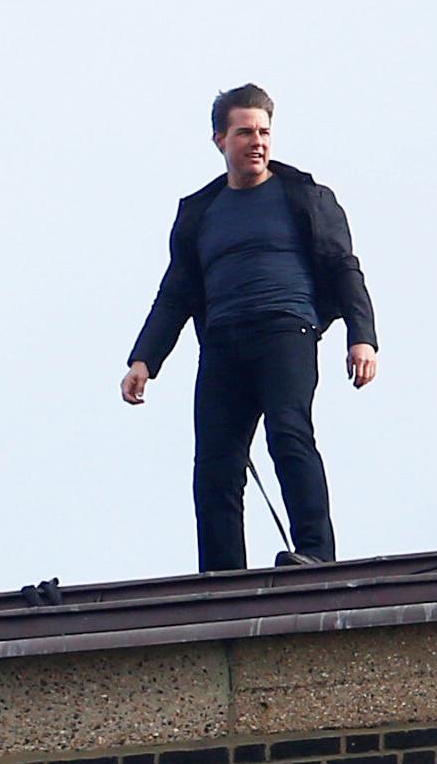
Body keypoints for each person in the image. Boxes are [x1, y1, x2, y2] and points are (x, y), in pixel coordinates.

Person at [120, 83, 378, 572]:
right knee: (215, 466)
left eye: (264, 131)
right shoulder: (201, 213)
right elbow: (175, 293)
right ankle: (221, 577)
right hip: (222, 345)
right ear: (221, 139)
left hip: (287, 332)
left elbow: (344, 266)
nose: (257, 141)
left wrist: (361, 337)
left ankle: (316, 555)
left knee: (289, 434)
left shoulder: (303, 196)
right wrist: (144, 360)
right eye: (245, 132)